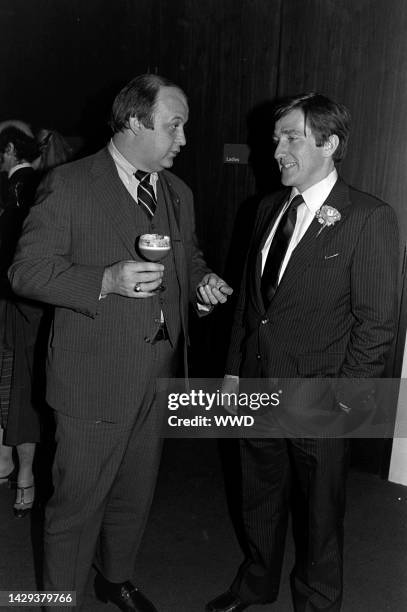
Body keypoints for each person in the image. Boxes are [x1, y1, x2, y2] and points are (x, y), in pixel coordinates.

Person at [9, 74, 232, 611]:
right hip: (94, 379)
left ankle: (116, 577)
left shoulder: (178, 192)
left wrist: (201, 285)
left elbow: (189, 258)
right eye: (173, 125)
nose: (182, 139)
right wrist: (103, 281)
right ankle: (58, 602)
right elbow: (25, 271)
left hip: (157, 376)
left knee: (134, 497)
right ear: (135, 122)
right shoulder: (71, 184)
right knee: (77, 508)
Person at [206, 93, 399, 612]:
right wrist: (231, 374)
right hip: (257, 385)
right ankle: (256, 583)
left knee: (319, 514)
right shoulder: (267, 208)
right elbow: (251, 303)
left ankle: (316, 601)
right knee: (259, 497)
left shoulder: (369, 218)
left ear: (329, 143)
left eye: (291, 137)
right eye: (276, 139)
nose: (277, 150)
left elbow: (378, 325)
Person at [0, 126, 43, 517]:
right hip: (20, 304)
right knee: (16, 385)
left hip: (27, 305)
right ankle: (17, 469)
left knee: (21, 386)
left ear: (11, 150)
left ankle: (24, 474)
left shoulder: (26, 187)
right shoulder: (28, 185)